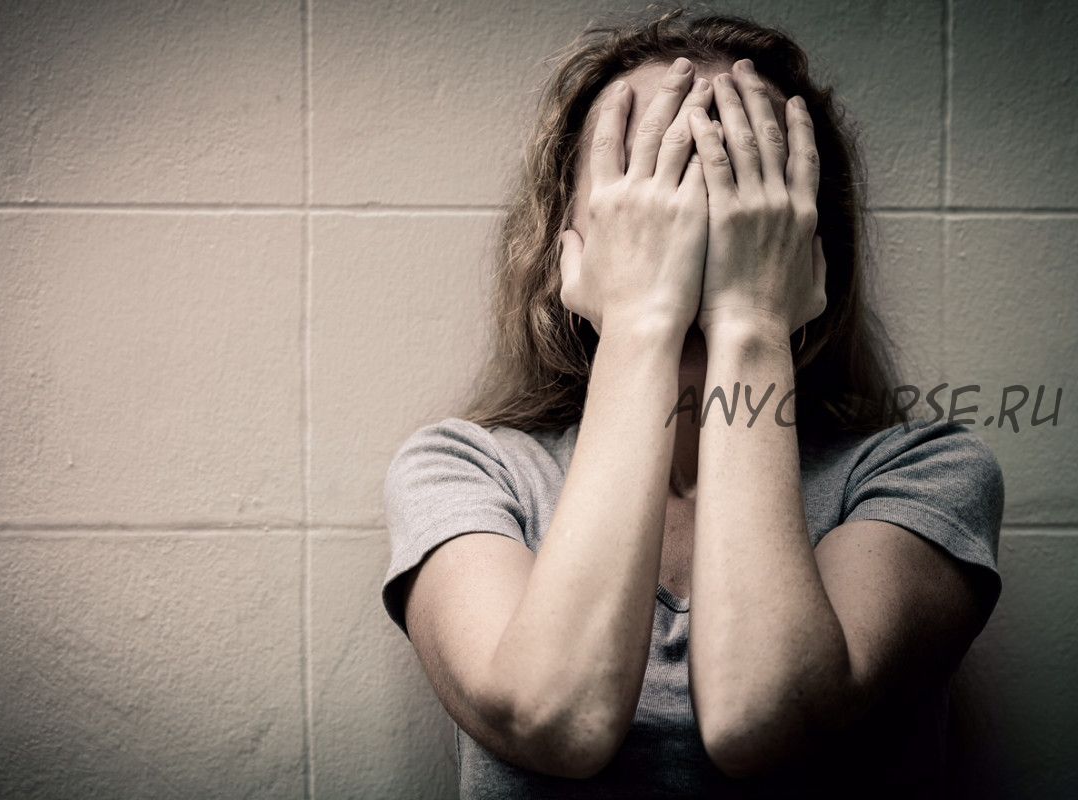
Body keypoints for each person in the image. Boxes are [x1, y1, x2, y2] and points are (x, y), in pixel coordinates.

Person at [380, 5, 1003, 797]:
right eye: (648, 172)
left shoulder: (927, 473)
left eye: (745, 172)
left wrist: (751, 320)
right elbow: (554, 718)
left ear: (811, 243)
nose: (693, 210)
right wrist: (641, 320)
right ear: (567, 242)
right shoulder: (465, 470)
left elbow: (763, 717)